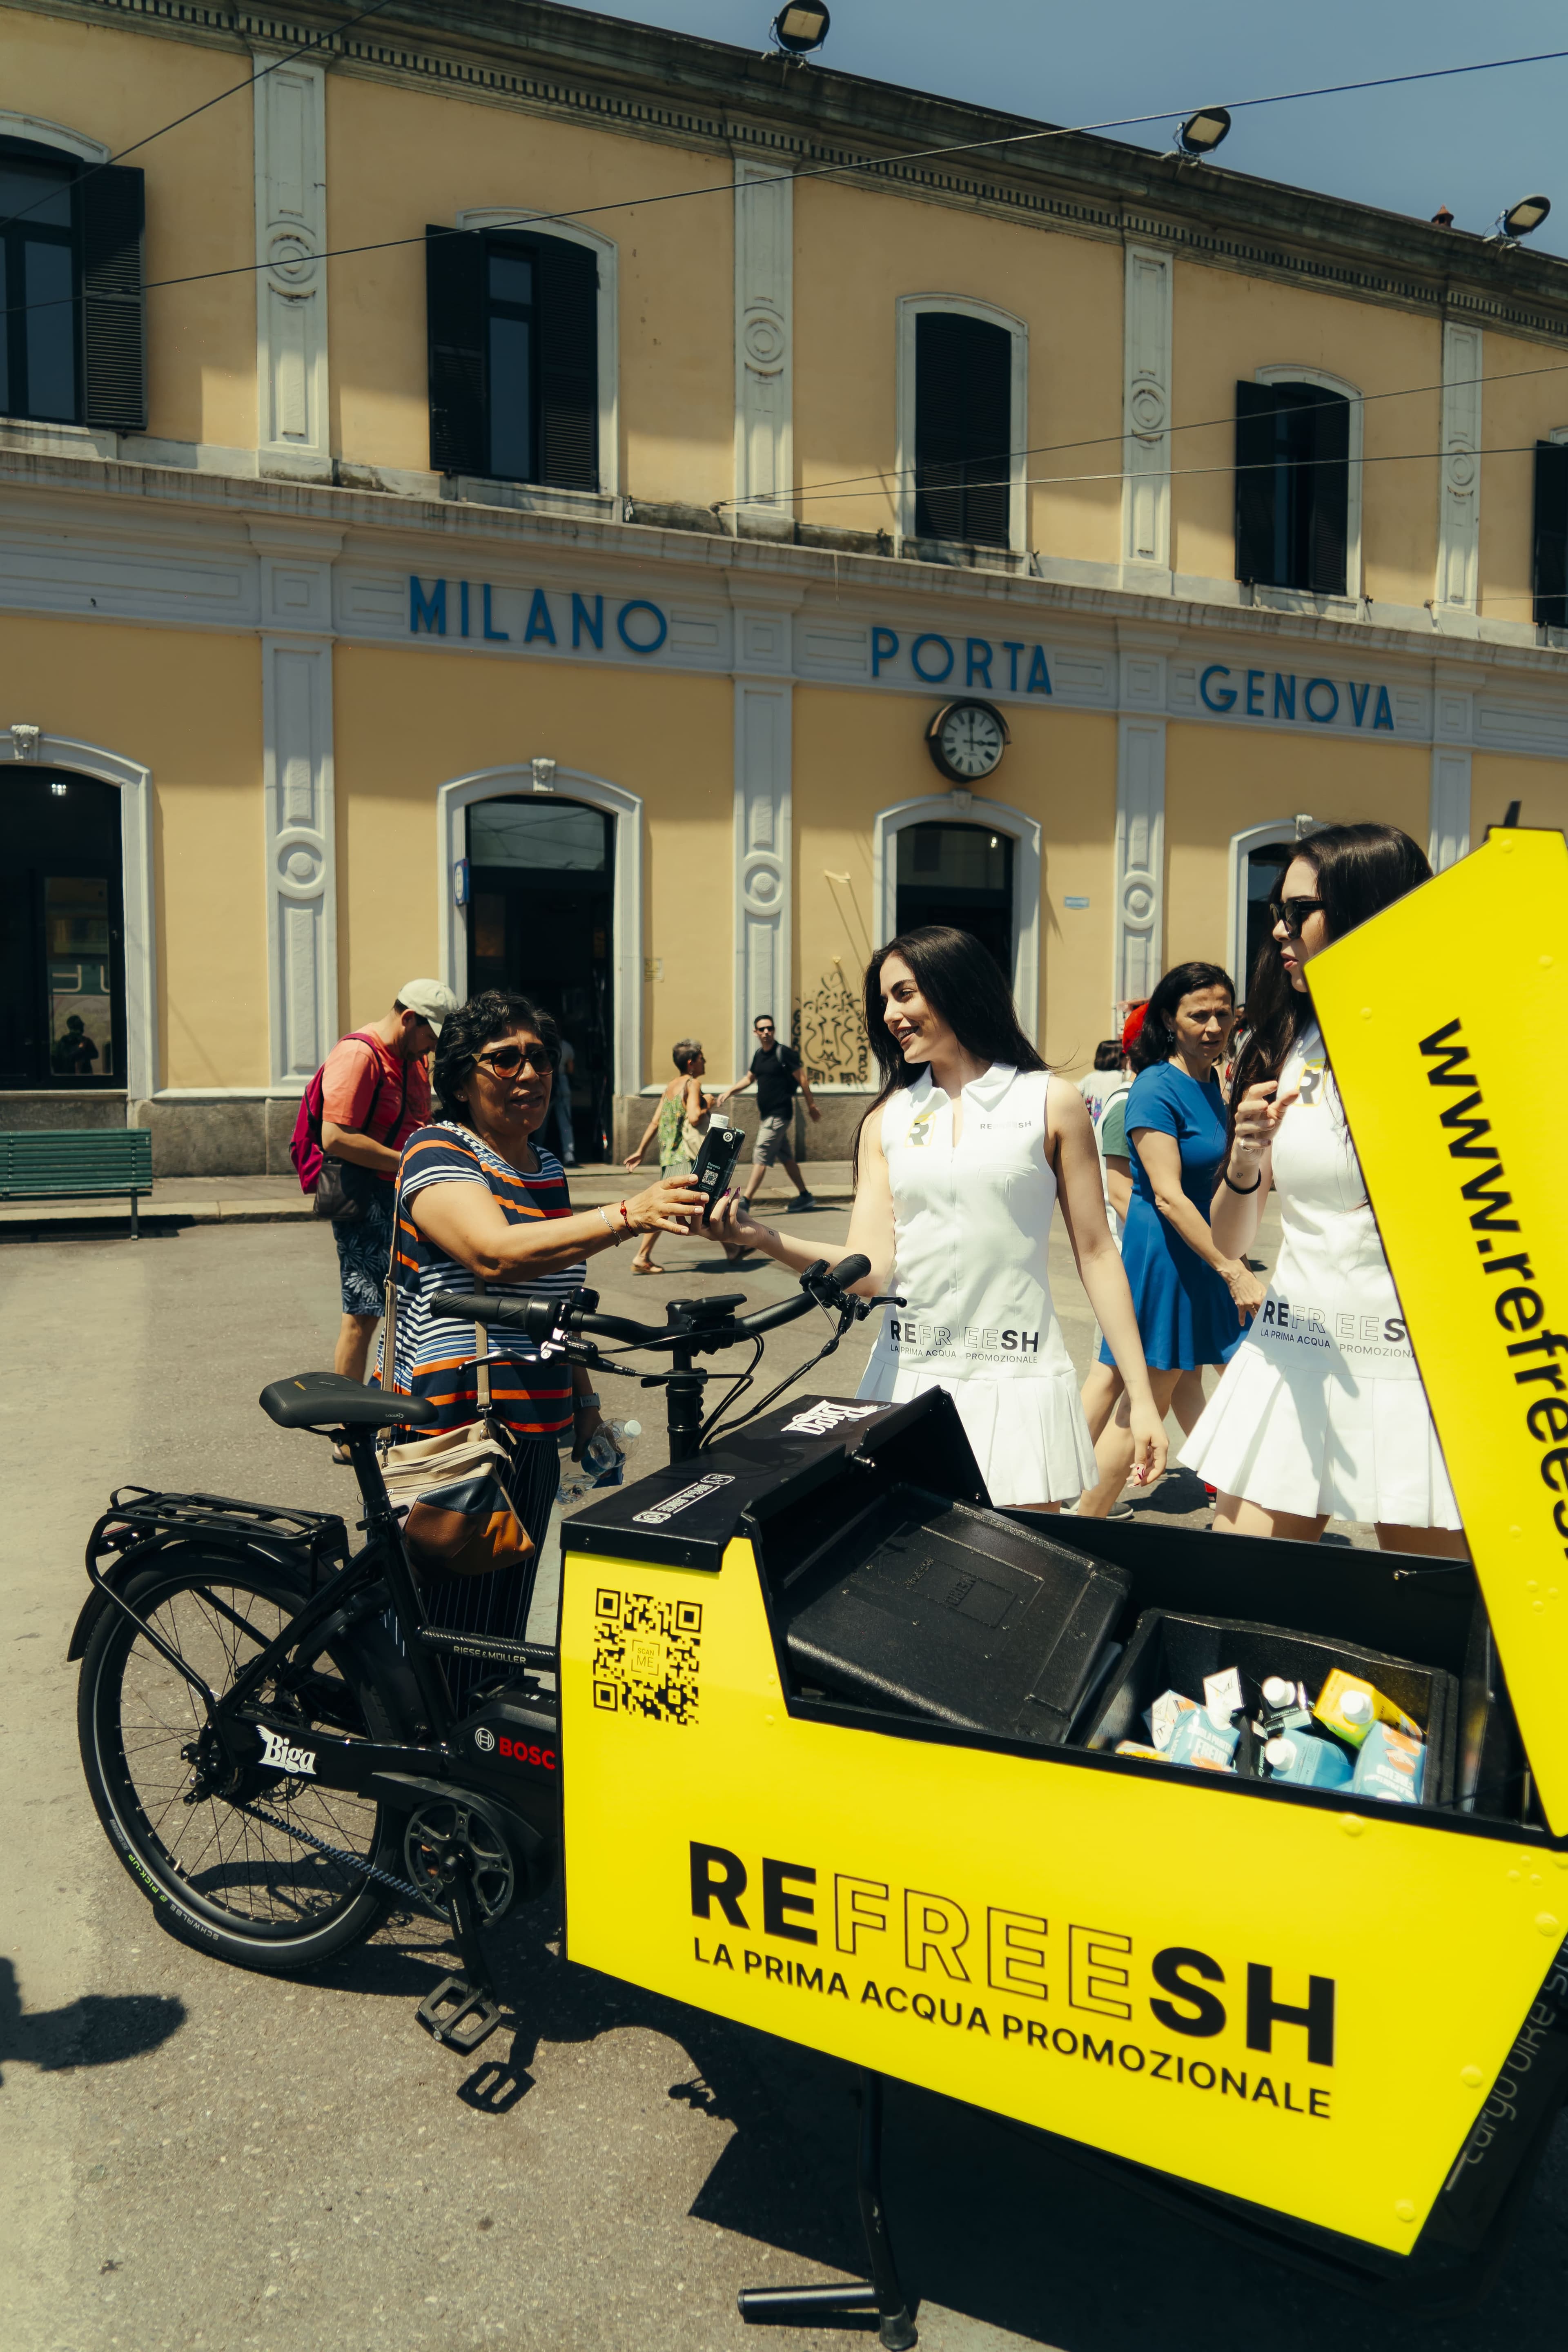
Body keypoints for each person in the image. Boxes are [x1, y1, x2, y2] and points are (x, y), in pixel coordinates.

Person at [712, 926, 1167, 1510]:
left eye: (904, 994)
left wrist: (1142, 1397)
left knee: (1020, 1561)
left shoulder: (1049, 1101)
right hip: (907, 1378)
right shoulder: (886, 1120)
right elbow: (869, 1271)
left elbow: (1099, 1253)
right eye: (884, 1001)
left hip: (1018, 1378)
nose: (889, 1015)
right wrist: (759, 1236)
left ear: (956, 987)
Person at [381, 990, 706, 1674]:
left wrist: (585, 1404)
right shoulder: (436, 1149)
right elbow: (493, 1254)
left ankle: (473, 1724)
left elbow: (554, 1302)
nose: (528, 1074)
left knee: (502, 1616)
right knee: (441, 1628)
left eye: (540, 1058)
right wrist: (628, 1215)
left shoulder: (546, 1167)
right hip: (457, 1424)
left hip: (534, 1423)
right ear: (461, 1081)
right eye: (504, 1060)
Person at [1181, 824, 1466, 1556]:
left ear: (1369, 908)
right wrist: (1246, 1157)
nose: (1279, 929)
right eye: (1277, 910)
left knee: (1427, 1609)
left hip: (1424, 1367)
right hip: (1297, 1348)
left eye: (1299, 910)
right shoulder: (1284, 1043)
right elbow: (1231, 1241)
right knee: (1243, 1589)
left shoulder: (1454, 1051)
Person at [1074, 963, 1263, 1519]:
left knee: (1197, 1384)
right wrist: (1233, 1269)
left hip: (1206, 1255)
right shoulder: (1156, 1086)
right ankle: (1076, 1527)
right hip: (1169, 1261)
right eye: (1198, 1014)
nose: (1214, 1026)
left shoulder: (1214, 1082)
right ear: (1169, 1020)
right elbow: (1168, 1196)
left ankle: (1237, 1503)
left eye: (1223, 1014)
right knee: (1144, 1406)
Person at [320, 980, 459, 1384]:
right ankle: (348, 1419)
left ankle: (390, 1399)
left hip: (402, 1192)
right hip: (366, 1197)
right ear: (409, 1019)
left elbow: (417, 1119)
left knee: (406, 1306)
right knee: (363, 1315)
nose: (432, 1049)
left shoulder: (412, 1059)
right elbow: (335, 1137)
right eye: (431, 1038)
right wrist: (408, 1161)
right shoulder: (359, 1055)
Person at [624, 1037, 714, 1275]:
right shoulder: (693, 1084)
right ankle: (642, 1257)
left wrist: (641, 1151)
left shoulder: (671, 1086)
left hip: (669, 1158)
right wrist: (708, 1104)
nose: (705, 1062)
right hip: (685, 1158)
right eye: (702, 1058)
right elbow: (695, 1117)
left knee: (691, 1203)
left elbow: (655, 1122)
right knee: (671, 1207)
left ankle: (734, 1250)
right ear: (691, 1063)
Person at [715, 1015, 822, 1208]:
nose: (766, 1032)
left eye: (770, 1028)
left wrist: (811, 1106)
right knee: (786, 1157)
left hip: (779, 1114)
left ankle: (746, 1200)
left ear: (774, 1030)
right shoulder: (759, 1055)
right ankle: (805, 1196)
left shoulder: (783, 1053)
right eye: (762, 1029)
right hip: (768, 1115)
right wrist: (730, 1092)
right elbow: (749, 1079)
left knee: (761, 1152)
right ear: (756, 1032)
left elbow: (802, 1079)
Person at [1077, 1038, 1125, 1128]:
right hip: (1113, 1126)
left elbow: (1077, 1095)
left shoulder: (1089, 1078)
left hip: (1093, 1128)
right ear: (1118, 1058)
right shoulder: (1122, 1076)